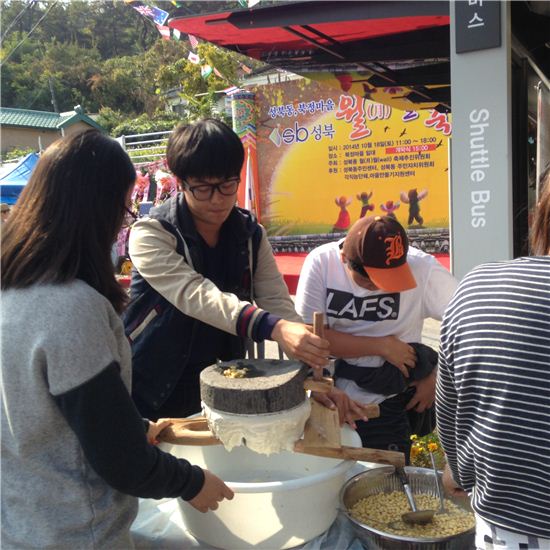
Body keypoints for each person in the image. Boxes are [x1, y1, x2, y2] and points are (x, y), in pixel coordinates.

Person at [1, 130, 233, 549]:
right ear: (96, 209)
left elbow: (53, 411)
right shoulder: (70, 307)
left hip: (20, 520)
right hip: (76, 530)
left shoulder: (11, 290)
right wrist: (193, 482)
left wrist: (133, 427)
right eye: (123, 207)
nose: (121, 222)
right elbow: (120, 460)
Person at [124, 119, 335, 421]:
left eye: (226, 185)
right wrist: (274, 328)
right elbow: (195, 294)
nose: (218, 200)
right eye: (203, 188)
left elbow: (277, 302)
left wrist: (317, 373)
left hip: (224, 381)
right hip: (152, 385)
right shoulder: (151, 233)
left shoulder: (251, 234)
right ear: (181, 183)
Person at [436, 168, 550, 548]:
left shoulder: (478, 287)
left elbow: (450, 414)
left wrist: (461, 475)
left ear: (539, 217)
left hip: (504, 531)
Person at [295, 215, 457, 458]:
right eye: (369, 279)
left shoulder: (422, 268)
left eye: (390, 278)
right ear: (344, 259)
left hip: (391, 398)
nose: (379, 286)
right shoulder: (322, 262)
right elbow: (310, 338)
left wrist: (438, 375)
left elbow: (471, 321)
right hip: (332, 395)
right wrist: (381, 346)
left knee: (387, 479)